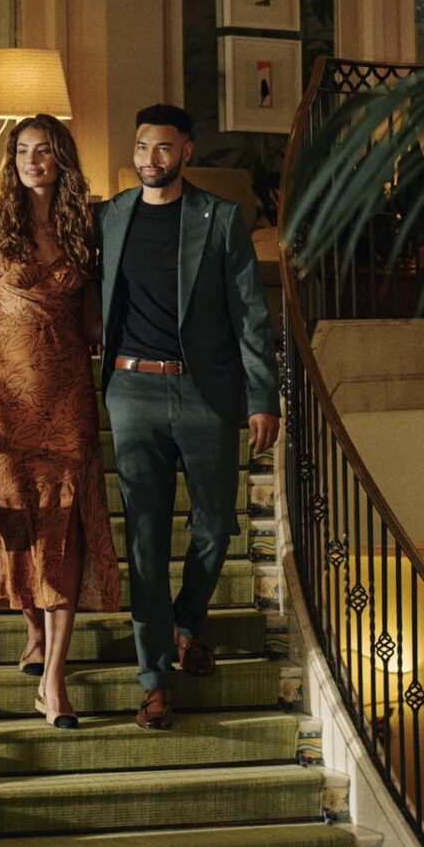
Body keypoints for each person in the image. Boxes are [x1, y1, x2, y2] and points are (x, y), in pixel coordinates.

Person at [101, 103, 280, 730]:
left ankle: (185, 623)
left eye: (164, 148)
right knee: (144, 541)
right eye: (143, 146)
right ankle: (153, 678)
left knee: (215, 528)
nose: (151, 158)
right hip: (131, 392)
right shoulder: (111, 217)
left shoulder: (221, 218)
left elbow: (250, 313)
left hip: (206, 395)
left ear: (187, 153)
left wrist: (263, 396)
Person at [0, 114, 119, 727]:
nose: (32, 160)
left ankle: (54, 679)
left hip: (67, 393)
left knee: (65, 523)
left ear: (61, 159)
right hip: (4, 396)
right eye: (22, 150)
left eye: (44, 151)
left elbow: (96, 321)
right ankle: (34, 630)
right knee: (17, 519)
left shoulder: (84, 229)